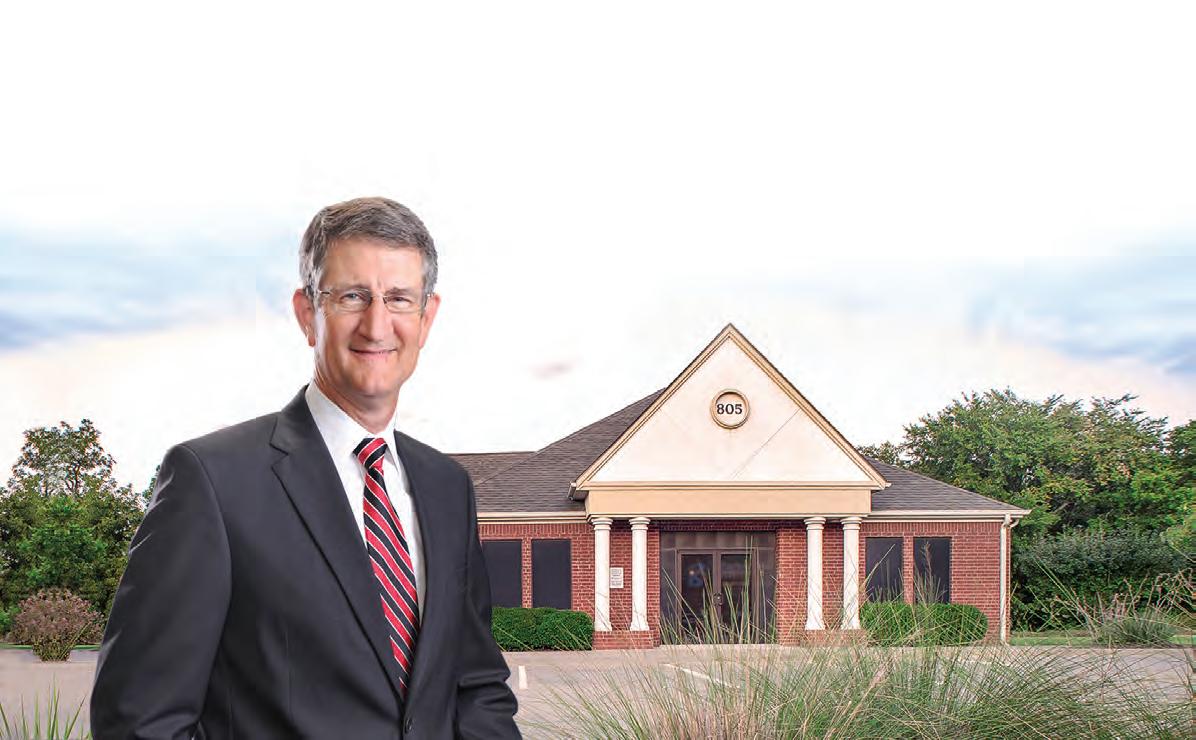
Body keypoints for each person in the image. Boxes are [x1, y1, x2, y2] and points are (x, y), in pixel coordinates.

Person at [91, 197, 520, 738]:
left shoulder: (447, 488)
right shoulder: (213, 483)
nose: (377, 325)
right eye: (352, 296)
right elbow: (139, 721)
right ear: (306, 313)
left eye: (398, 299)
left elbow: (475, 686)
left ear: (426, 317)